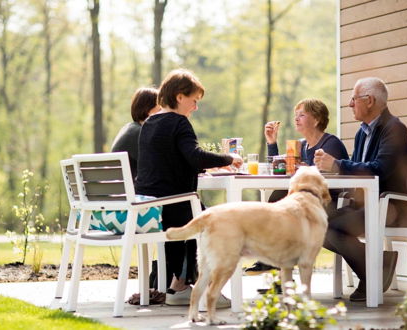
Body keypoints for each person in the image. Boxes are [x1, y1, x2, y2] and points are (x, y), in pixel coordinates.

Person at [136, 69, 243, 306]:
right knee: (217, 223)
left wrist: (206, 168)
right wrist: (229, 159)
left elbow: (169, 162)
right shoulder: (179, 122)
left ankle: (179, 286)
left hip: (149, 206)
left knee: (199, 212)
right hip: (175, 204)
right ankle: (208, 292)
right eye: (194, 101)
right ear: (179, 97)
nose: (195, 107)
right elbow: (195, 156)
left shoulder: (150, 123)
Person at [314, 77, 407, 302]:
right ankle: (378, 266)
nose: (350, 104)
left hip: (395, 207)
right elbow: (359, 171)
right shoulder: (362, 132)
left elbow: (379, 170)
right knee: (316, 222)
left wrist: (336, 164)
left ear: (369, 100)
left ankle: (372, 273)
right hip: (368, 204)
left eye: (354, 99)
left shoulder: (395, 129)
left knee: (330, 227)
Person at [244, 98, 349, 276]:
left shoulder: (331, 143)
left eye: (302, 115)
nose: (296, 119)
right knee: (279, 198)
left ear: (316, 120)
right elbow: (281, 169)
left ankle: (273, 264)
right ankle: (277, 269)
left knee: (281, 205)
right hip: (304, 203)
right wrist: (272, 142)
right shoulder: (300, 145)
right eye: (295, 115)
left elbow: (331, 182)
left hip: (328, 203)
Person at [111, 87, 160, 185]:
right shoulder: (140, 133)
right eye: (160, 109)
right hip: (137, 195)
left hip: (121, 194)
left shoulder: (130, 129)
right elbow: (160, 165)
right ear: (149, 110)